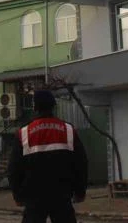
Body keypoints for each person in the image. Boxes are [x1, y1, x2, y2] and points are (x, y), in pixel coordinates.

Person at [8, 90, 88, 223]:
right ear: (53, 106)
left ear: (34, 107)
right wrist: (80, 192)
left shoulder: (23, 133)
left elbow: (14, 169)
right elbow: (81, 163)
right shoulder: (68, 130)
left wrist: (18, 195)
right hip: (62, 196)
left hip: (34, 198)